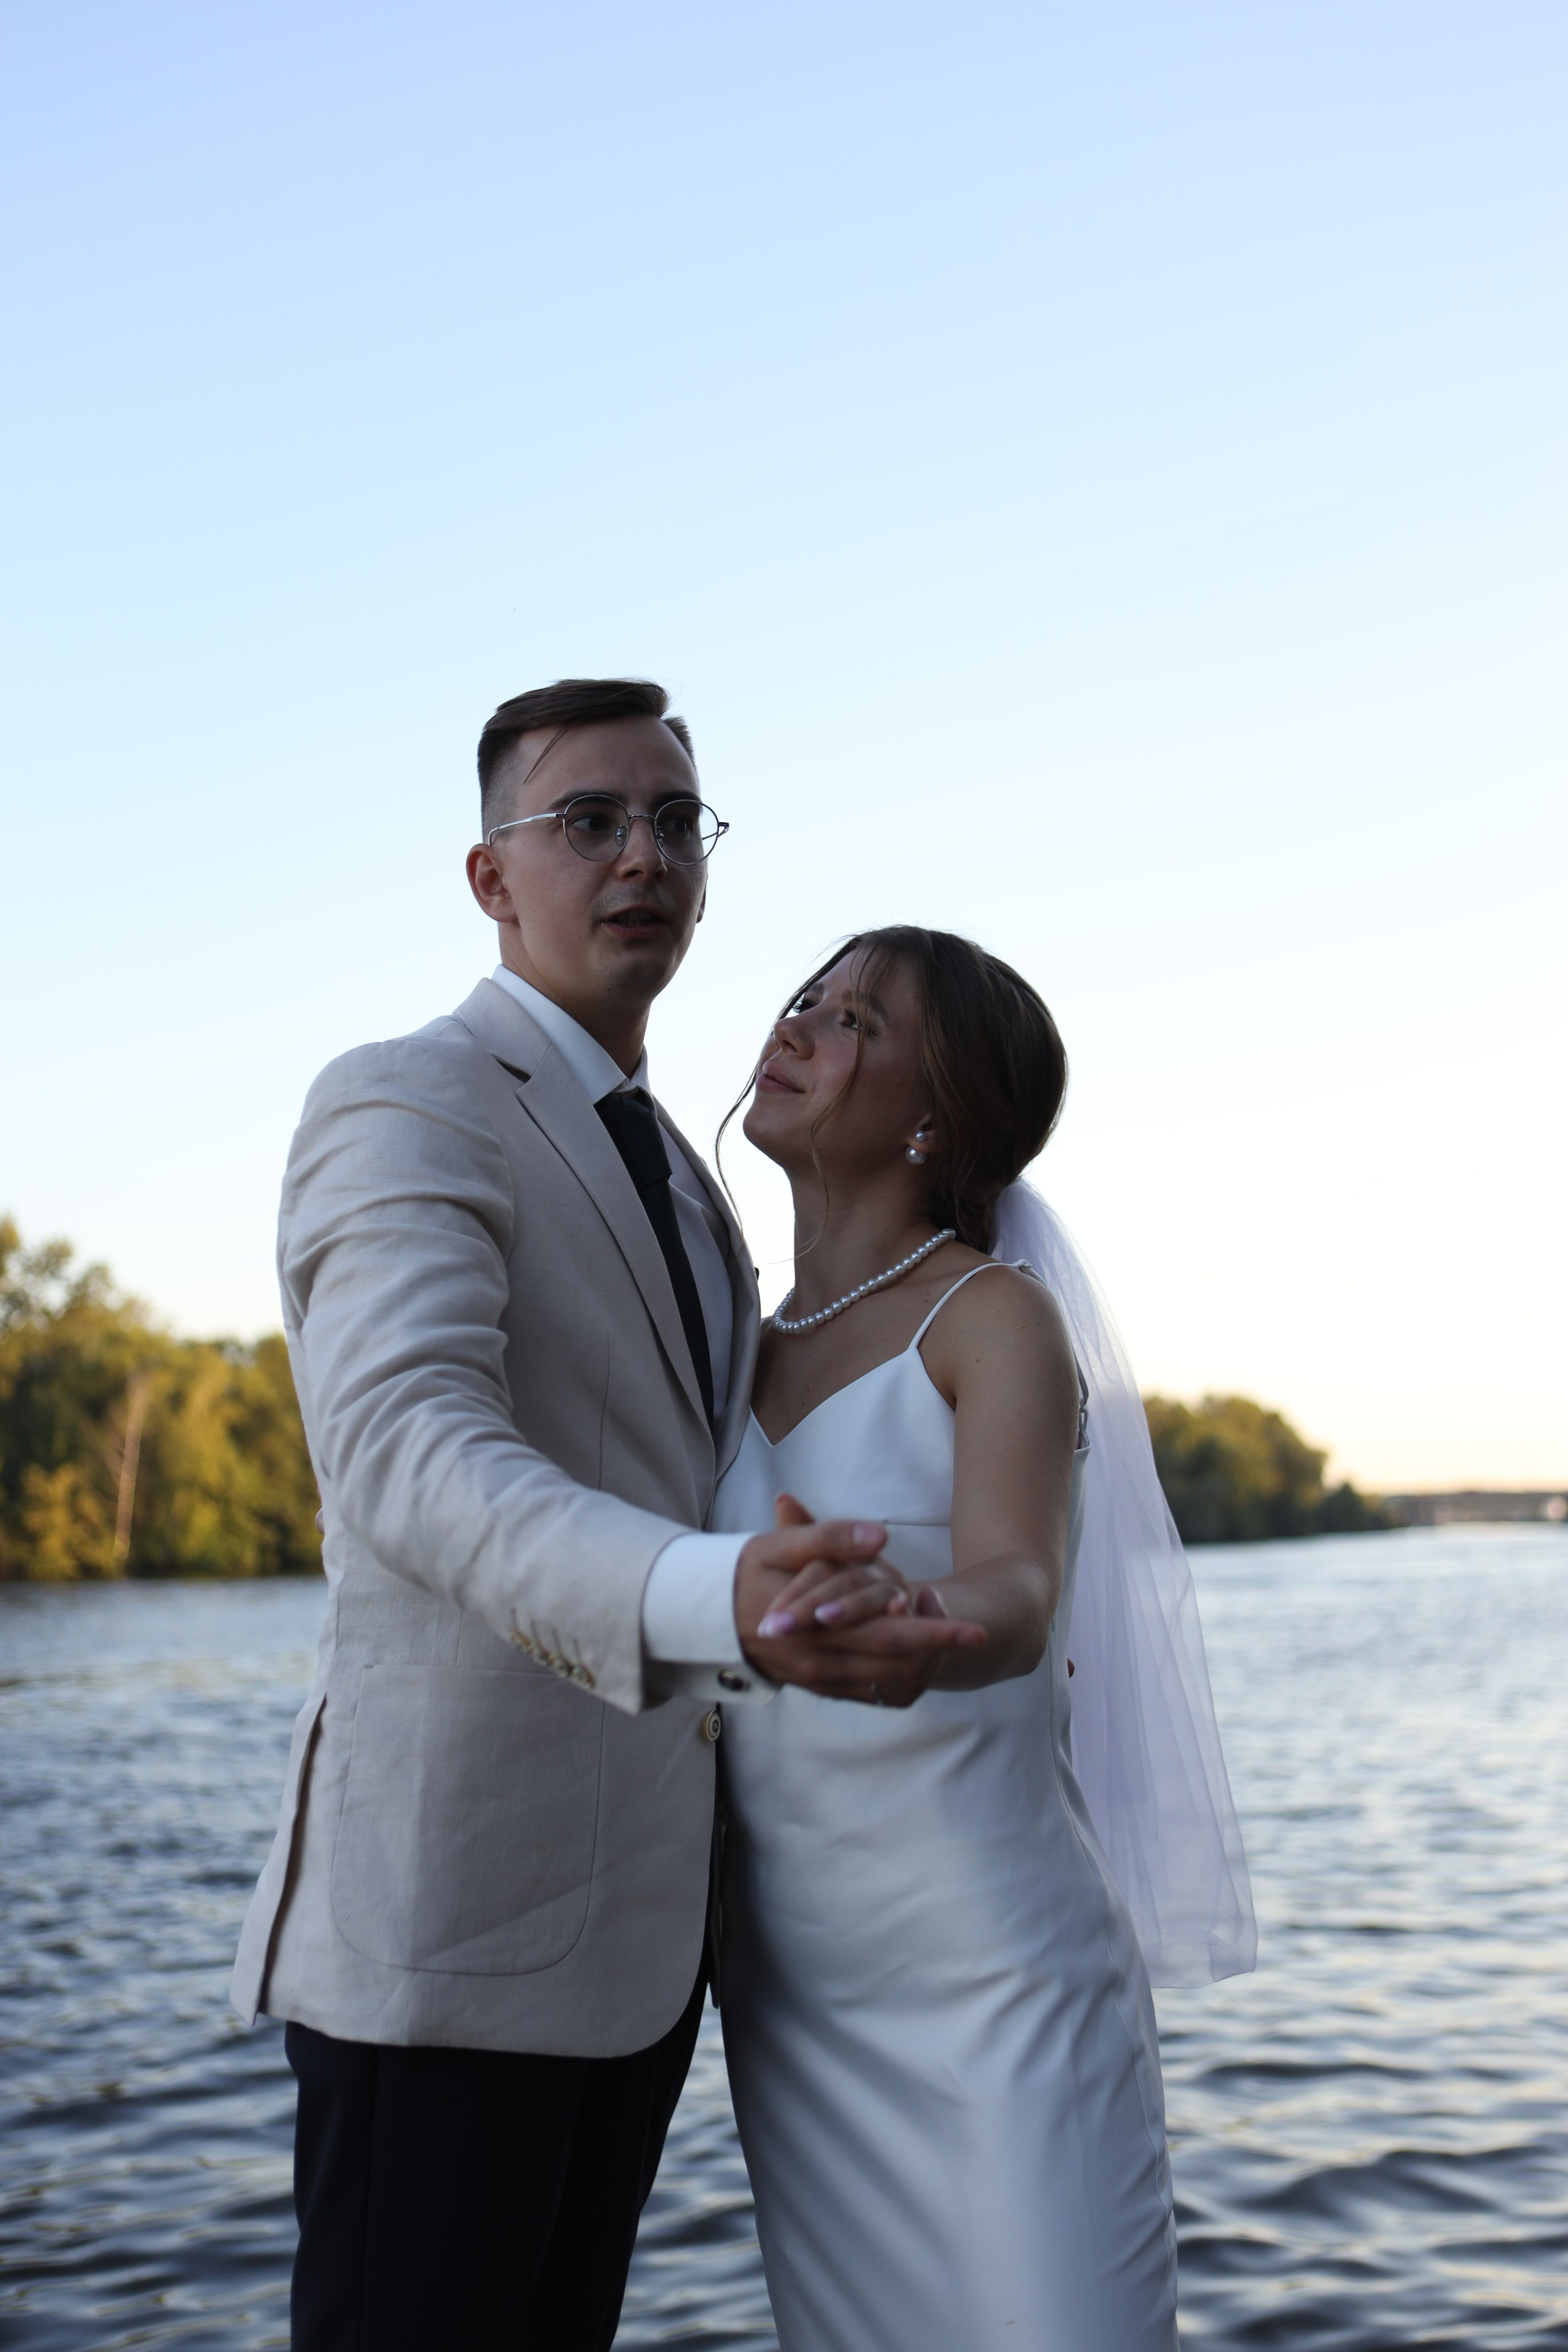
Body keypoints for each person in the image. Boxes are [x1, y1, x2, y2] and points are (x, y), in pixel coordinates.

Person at [230, 683, 968, 2352]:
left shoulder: (701, 1190)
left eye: (675, 821)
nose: (644, 854)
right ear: (491, 880)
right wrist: (715, 1598)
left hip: (642, 1957)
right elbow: (412, 1457)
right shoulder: (407, 1098)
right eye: (589, 821)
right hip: (447, 1941)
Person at [712, 926, 1256, 2352]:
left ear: (935, 1114)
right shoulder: (725, 1353)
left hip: (993, 1989)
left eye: (857, 1024)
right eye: (803, 1001)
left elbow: (1020, 1587)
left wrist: (924, 1621)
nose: (803, 1026)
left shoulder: (989, 1319)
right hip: (795, 2004)